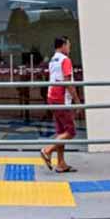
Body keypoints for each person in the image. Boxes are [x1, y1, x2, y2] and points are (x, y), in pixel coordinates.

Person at [41, 36, 80, 173]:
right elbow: (67, 81)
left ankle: (61, 163)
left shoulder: (53, 59)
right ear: (62, 45)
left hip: (52, 96)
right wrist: (77, 100)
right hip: (61, 98)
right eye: (68, 45)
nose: (70, 48)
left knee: (61, 132)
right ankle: (48, 150)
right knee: (71, 131)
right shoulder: (65, 60)